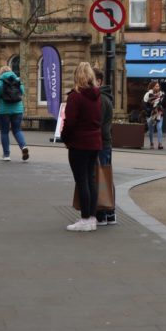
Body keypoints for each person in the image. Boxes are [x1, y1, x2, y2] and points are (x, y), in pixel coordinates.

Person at [60, 62, 102, 232]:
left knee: (82, 181)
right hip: (95, 142)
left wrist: (64, 137)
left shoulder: (75, 97)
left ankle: (84, 219)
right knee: (91, 180)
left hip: (79, 143)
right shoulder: (97, 96)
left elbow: (70, 122)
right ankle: (91, 217)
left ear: (77, 76)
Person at [93, 67, 116, 226]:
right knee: (105, 176)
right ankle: (109, 213)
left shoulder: (100, 99)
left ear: (99, 81)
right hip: (105, 142)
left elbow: (98, 124)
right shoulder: (105, 97)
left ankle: (102, 213)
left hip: (101, 142)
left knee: (101, 177)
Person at [0, 65, 29, 162]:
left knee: (4, 131)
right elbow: (22, 92)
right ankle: (23, 146)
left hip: (4, 111)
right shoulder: (17, 81)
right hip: (18, 110)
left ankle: (6, 155)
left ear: (1, 73)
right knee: (17, 130)